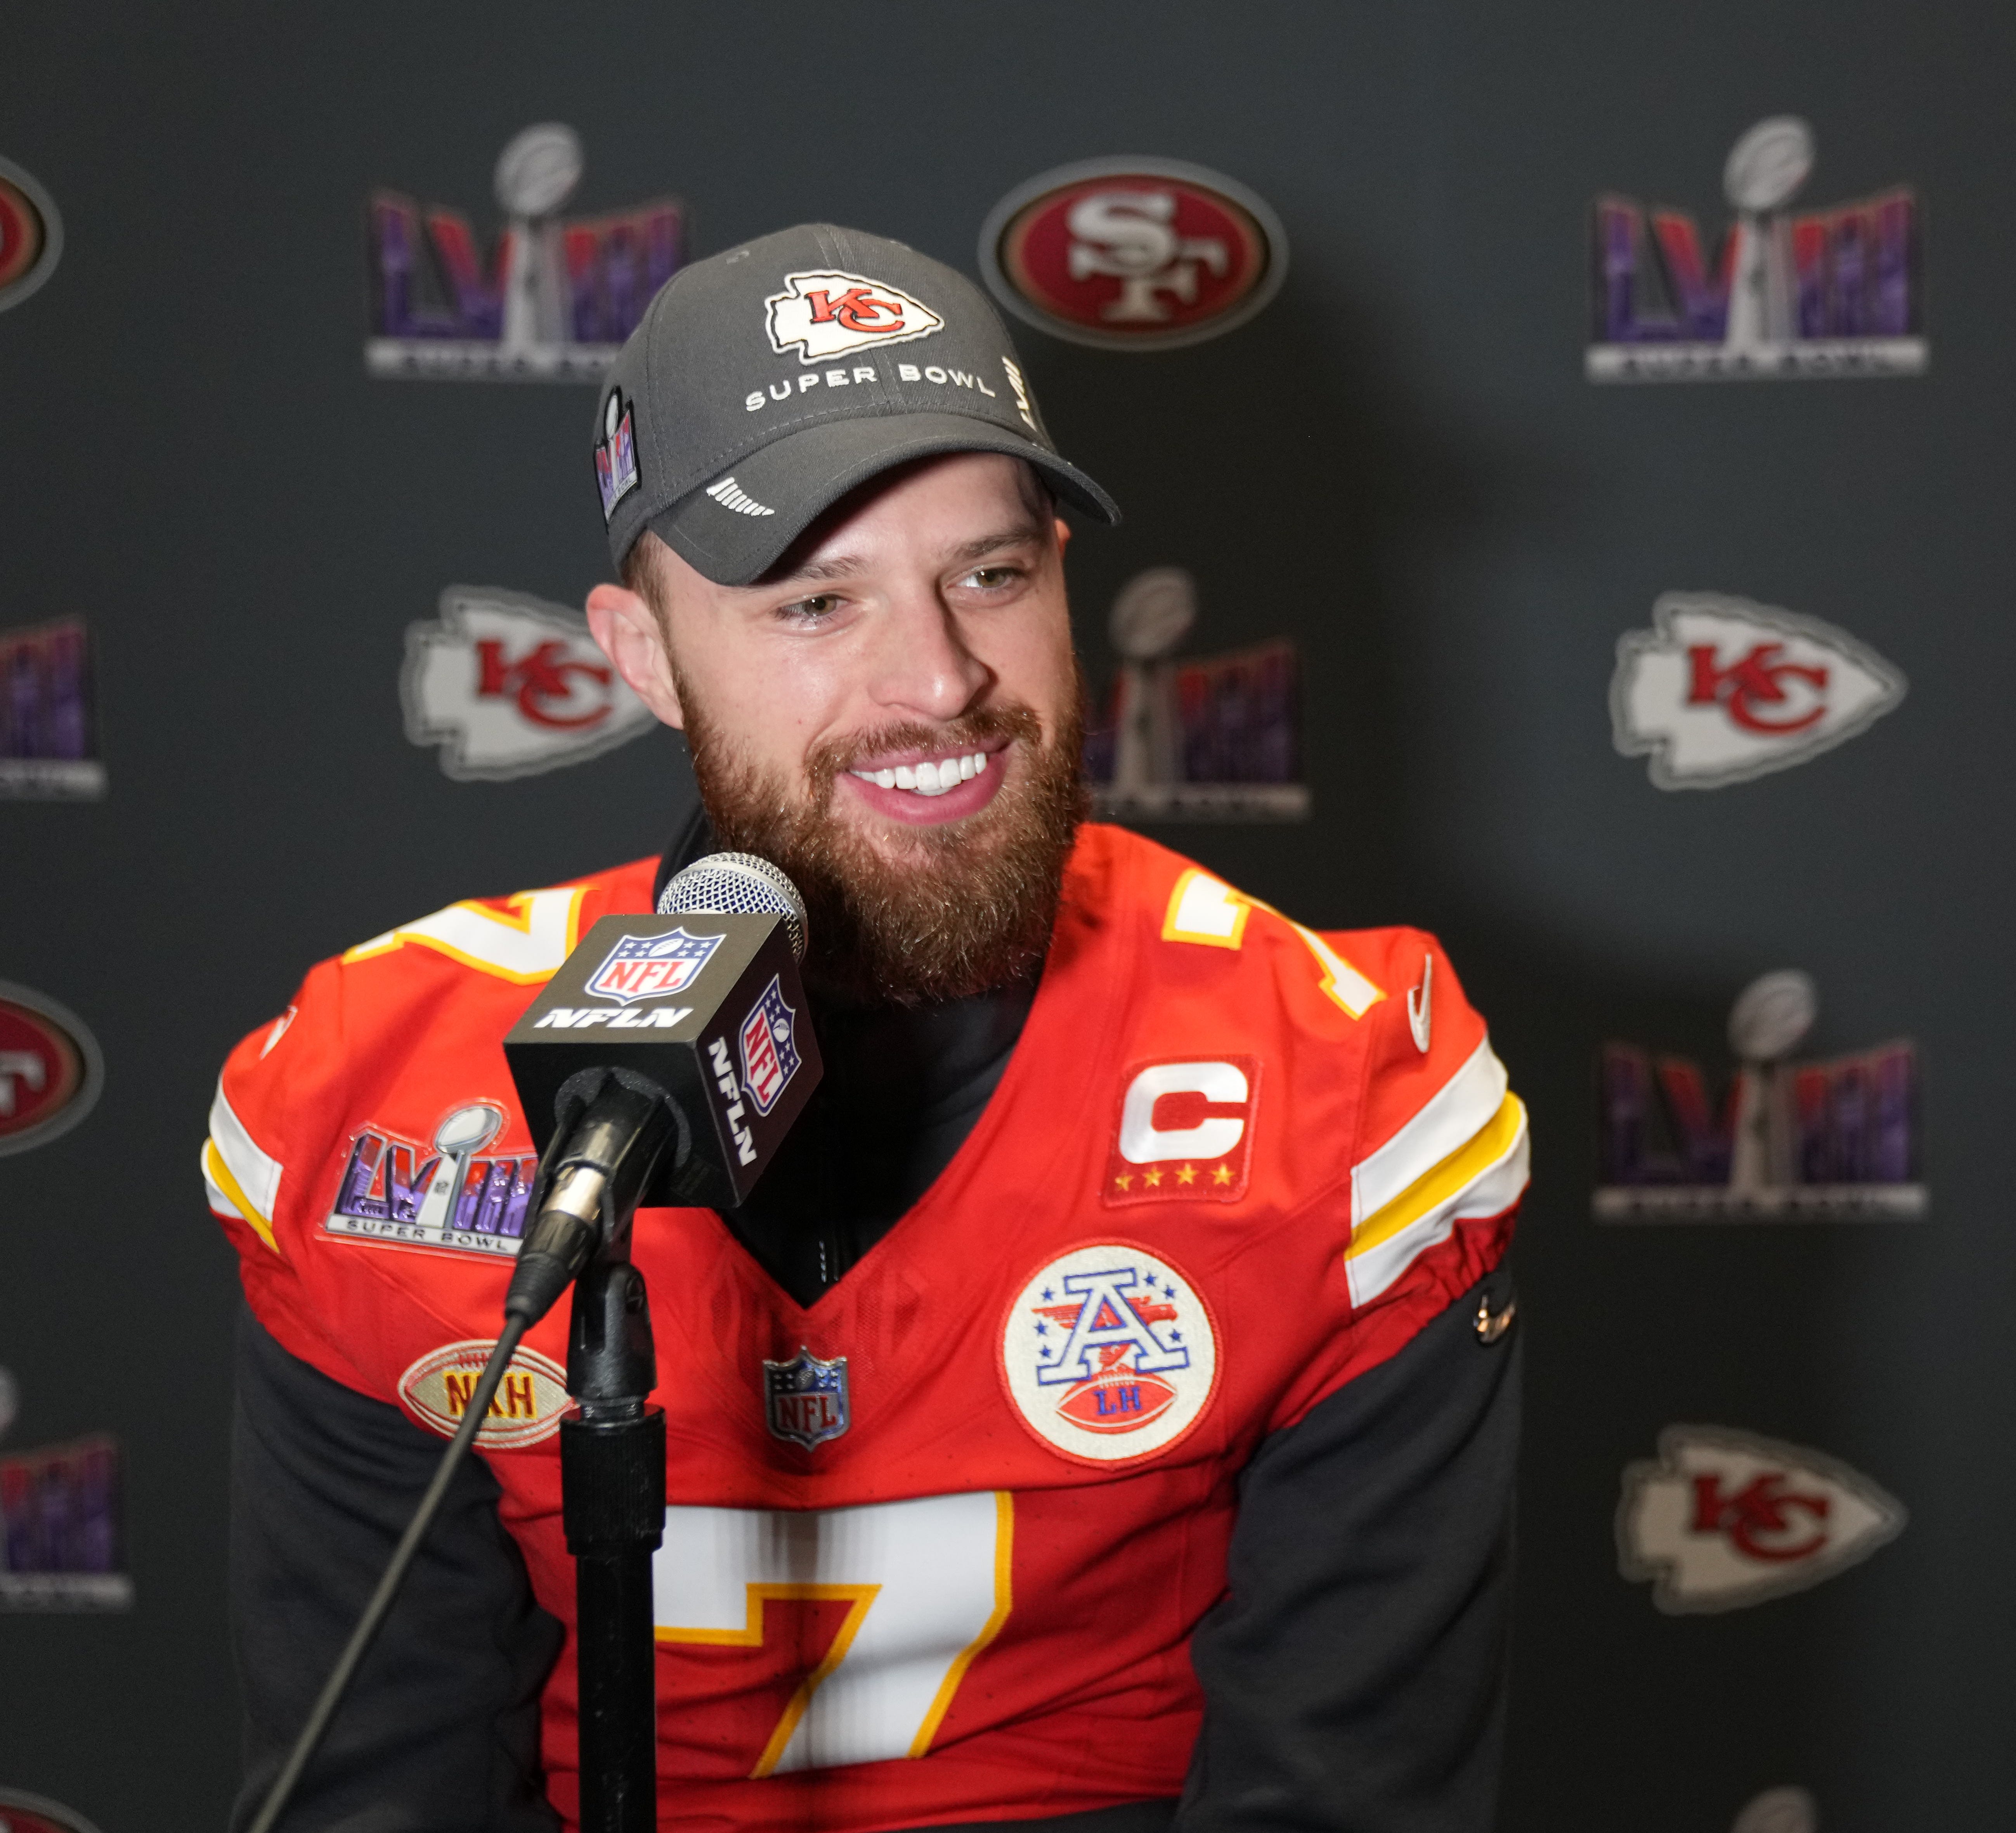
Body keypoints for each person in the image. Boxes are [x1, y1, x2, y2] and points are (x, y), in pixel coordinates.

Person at [205, 225, 1528, 1833]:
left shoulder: (1341, 1076)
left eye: (992, 574)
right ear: (646, 658)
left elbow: (1337, 1800)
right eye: (817, 601)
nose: (942, 680)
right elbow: (382, 1788)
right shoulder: (376, 1089)